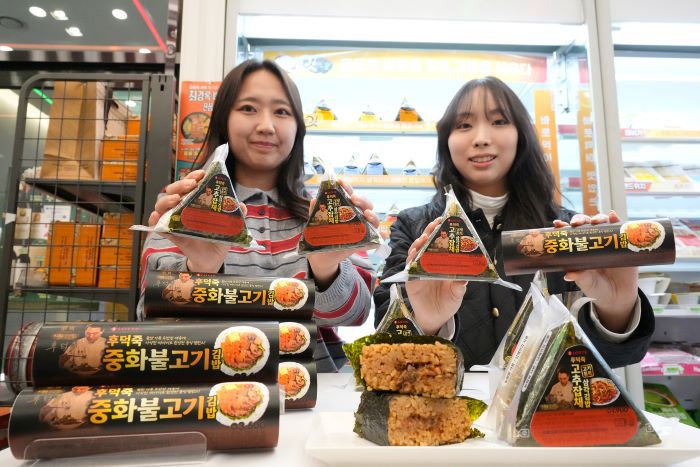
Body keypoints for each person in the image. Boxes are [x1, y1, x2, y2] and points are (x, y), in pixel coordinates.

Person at [374, 76, 654, 370]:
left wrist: (617, 311)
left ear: (522, 134)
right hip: (446, 400)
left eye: (499, 121)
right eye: (464, 125)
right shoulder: (415, 226)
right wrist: (426, 323)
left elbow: (608, 362)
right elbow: (384, 346)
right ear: (446, 140)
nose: (481, 138)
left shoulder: (566, 232)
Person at [140, 59, 377, 372]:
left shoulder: (325, 213)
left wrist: (326, 269)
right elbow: (153, 315)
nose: (266, 125)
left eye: (282, 111)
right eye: (248, 108)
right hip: (207, 384)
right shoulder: (182, 207)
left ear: (298, 128)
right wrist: (200, 270)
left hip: (313, 386)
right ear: (223, 118)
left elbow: (356, 314)